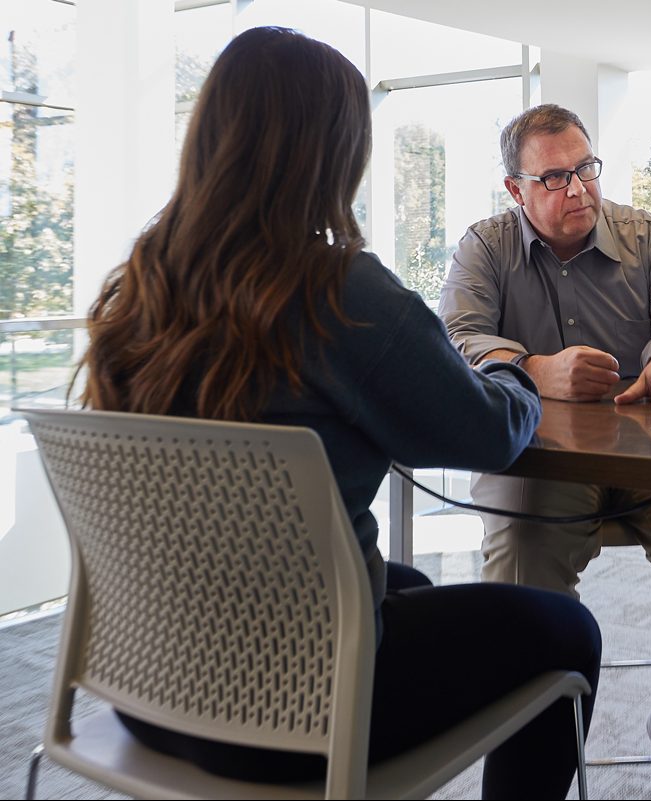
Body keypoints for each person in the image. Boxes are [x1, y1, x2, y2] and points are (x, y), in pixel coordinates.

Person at [77, 28, 600, 799]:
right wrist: (516, 367)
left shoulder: (140, 290)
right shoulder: (335, 290)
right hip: (296, 711)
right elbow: (486, 431)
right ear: (330, 153)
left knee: (408, 581)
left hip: (152, 690)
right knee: (568, 630)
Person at [439, 103, 651, 800]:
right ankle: (531, 765)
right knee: (522, 556)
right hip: (543, 467)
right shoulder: (484, 246)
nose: (578, 190)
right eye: (553, 177)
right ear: (515, 189)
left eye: (585, 168)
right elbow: (458, 339)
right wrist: (533, 367)